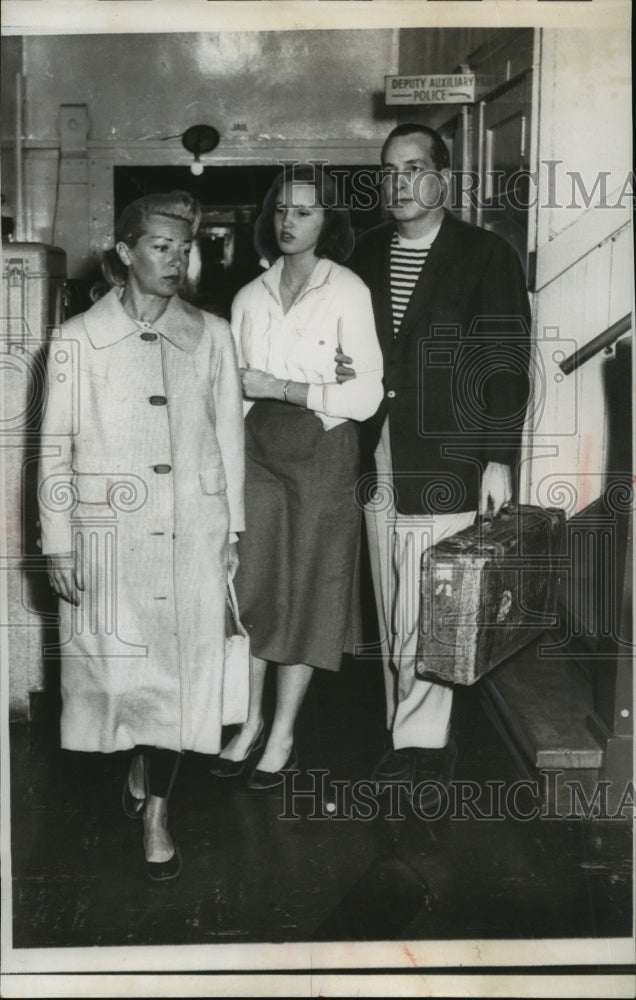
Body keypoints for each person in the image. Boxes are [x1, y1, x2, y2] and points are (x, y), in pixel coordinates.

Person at [38, 191, 245, 879]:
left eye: (183, 249)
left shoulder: (211, 335)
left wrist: (233, 530)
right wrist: (58, 541)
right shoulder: (73, 342)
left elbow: (230, 441)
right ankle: (137, 766)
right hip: (112, 538)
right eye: (161, 246)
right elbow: (53, 449)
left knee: (187, 683)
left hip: (193, 530)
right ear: (124, 252)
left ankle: (159, 811)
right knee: (125, 679)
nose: (176, 260)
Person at [339, 123, 531, 801]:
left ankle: (417, 741)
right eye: (388, 171)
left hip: (449, 451)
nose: (398, 183)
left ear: (442, 180)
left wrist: (498, 459)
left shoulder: (485, 255)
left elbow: (506, 366)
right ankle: (411, 729)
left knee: (429, 605)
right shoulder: (363, 254)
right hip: (375, 449)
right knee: (392, 605)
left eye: (413, 168)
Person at [208, 164, 384, 788]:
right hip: (257, 449)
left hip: (323, 452)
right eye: (281, 209)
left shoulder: (348, 291)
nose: (288, 221)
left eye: (304, 212)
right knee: (255, 589)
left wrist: (284, 386)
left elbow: (364, 397)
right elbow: (234, 394)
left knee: (309, 591)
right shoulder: (249, 297)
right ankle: (248, 722)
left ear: (328, 220)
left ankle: (283, 733)